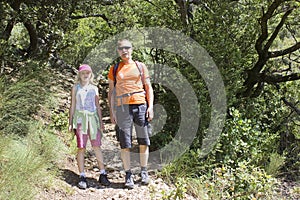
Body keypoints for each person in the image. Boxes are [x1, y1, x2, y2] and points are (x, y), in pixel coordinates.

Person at [107, 39, 154, 189]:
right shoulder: (114, 69)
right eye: (121, 48)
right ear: (118, 51)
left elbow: (148, 88)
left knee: (143, 140)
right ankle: (128, 175)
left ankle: (144, 172)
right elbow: (111, 92)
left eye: (127, 47)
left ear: (132, 49)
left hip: (140, 104)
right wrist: (112, 111)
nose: (124, 50)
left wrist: (150, 106)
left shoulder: (140, 66)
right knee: (125, 143)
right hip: (122, 108)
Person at [68, 64, 111, 189]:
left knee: (96, 145)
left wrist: (101, 121)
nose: (85, 75)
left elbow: (97, 105)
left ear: (90, 74)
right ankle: (82, 175)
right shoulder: (75, 88)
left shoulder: (94, 88)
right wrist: (71, 122)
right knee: (81, 147)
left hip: (93, 119)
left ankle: (102, 173)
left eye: (87, 73)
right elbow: (72, 105)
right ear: (79, 75)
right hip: (80, 118)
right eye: (83, 73)